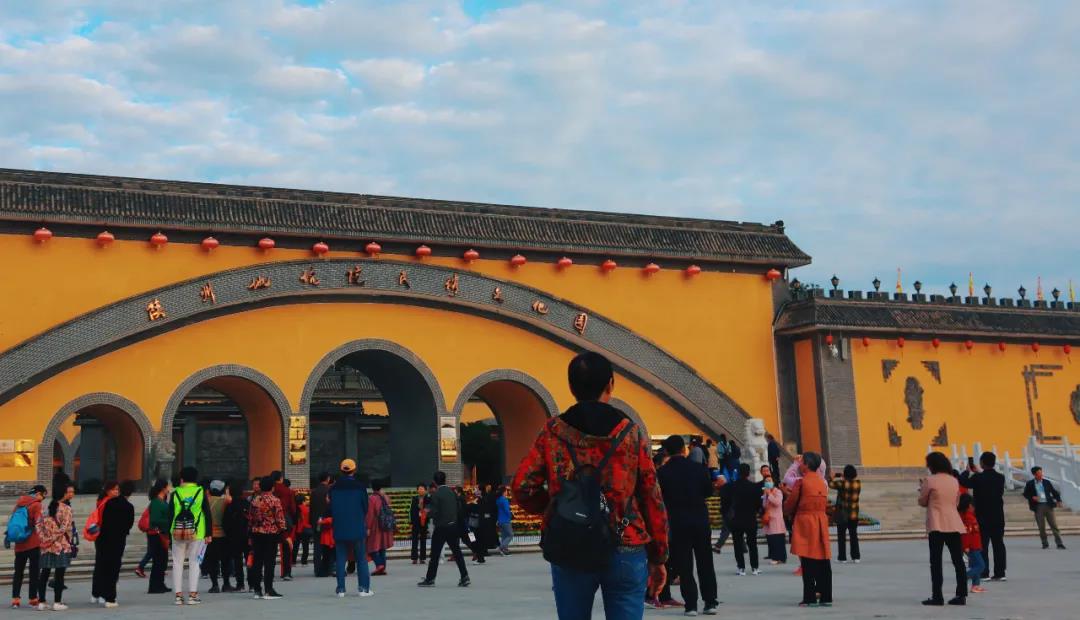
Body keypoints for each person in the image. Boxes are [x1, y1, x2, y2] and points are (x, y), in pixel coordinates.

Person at [512, 351, 669, 620]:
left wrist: (557, 507)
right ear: (610, 384)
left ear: (571, 387)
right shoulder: (630, 433)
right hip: (625, 541)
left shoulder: (553, 432)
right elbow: (651, 496)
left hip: (570, 541)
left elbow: (522, 487)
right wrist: (659, 556)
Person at [657, 434, 719, 616]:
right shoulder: (698, 468)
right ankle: (710, 602)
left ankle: (691, 605)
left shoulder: (663, 472)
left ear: (667, 451)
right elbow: (708, 491)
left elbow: (659, 498)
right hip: (700, 520)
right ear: (684, 450)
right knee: (705, 562)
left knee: (684, 565)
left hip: (678, 522)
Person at [919, 451, 967, 606]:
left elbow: (922, 501)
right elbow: (956, 502)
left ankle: (937, 596)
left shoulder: (929, 480)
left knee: (936, 562)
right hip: (953, 523)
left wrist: (921, 490)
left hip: (937, 524)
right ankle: (961, 595)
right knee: (958, 561)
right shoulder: (954, 480)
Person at [784, 451, 832, 607]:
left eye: (802, 462)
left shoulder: (801, 482)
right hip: (821, 520)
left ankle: (810, 597)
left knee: (807, 560)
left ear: (806, 465)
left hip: (805, 521)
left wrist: (786, 499)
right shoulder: (822, 482)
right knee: (823, 559)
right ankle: (826, 596)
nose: (800, 464)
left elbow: (790, 505)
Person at [327, 458, 373, 597]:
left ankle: (341, 589)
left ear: (341, 470)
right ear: (354, 470)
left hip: (340, 526)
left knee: (341, 559)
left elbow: (330, 507)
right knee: (361, 558)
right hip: (357, 526)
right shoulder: (360, 487)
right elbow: (365, 507)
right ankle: (363, 589)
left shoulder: (333, 488)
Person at [418, 470, 470, 588]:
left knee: (435, 554)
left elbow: (434, 512)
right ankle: (464, 576)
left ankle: (430, 579)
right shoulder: (452, 492)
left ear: (434, 482)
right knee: (457, 552)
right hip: (453, 526)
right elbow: (458, 509)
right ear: (445, 480)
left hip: (441, 527)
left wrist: (426, 512)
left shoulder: (436, 494)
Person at [959, 452, 1006, 581]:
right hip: (998, 516)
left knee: (982, 545)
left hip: (982, 517)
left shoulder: (978, 478)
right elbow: (987, 478)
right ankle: (1000, 573)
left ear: (982, 463)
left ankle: (984, 572)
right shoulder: (1000, 477)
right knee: (999, 545)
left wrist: (967, 471)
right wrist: (978, 472)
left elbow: (964, 482)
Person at [170, 465, 213, 606]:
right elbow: (207, 513)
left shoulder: (175, 493)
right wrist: (208, 533)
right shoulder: (200, 492)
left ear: (182, 478)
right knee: (194, 563)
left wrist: (169, 533)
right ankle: (192, 595)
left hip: (177, 531)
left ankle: (178, 596)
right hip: (197, 532)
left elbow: (170, 514)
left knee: (177, 563)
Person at [91, 480, 134, 608]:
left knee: (101, 565)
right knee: (113, 568)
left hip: (102, 539)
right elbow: (129, 525)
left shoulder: (105, 503)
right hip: (118, 540)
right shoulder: (128, 506)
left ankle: (98, 594)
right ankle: (110, 597)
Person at [36, 479, 75, 612]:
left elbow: (38, 526)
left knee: (44, 573)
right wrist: (54, 538)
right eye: (68, 492)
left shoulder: (46, 509)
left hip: (46, 547)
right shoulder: (66, 509)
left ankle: (41, 602)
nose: (70, 494)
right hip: (61, 546)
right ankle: (57, 602)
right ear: (63, 493)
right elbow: (65, 528)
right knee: (59, 575)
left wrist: (45, 540)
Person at [247, 476, 286, 600]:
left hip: (256, 533)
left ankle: (257, 590)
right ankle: (268, 589)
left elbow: (250, 518)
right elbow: (280, 518)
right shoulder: (275, 500)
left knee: (257, 561)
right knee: (269, 562)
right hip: (271, 533)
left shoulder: (255, 500)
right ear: (272, 487)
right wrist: (282, 530)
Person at [8, 484, 46, 610]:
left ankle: (15, 600)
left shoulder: (19, 504)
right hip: (33, 543)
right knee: (34, 572)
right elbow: (39, 523)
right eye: (43, 495)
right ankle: (33, 599)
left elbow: (12, 522)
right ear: (38, 493)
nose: (43, 498)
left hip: (19, 544)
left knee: (18, 572)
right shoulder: (37, 505)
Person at [728, 462, 762, 576]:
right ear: (748, 473)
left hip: (736, 518)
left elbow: (727, 502)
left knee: (737, 544)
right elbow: (758, 504)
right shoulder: (754, 487)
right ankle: (755, 567)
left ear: (738, 472)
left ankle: (741, 567)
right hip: (750, 518)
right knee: (752, 544)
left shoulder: (732, 486)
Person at [1022, 466, 1066, 550]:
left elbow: (1054, 492)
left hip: (1048, 505)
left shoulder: (1046, 482)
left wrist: (1059, 500)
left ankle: (1059, 543)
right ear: (1034, 474)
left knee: (1054, 525)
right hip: (1038, 507)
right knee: (1041, 527)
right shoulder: (1030, 483)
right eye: (1039, 473)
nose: (1041, 474)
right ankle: (1045, 543)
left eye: (1041, 472)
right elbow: (1025, 494)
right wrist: (1032, 497)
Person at [830, 465, 862, 563]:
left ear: (845, 474)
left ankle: (842, 557)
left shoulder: (841, 483)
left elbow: (830, 484)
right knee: (853, 536)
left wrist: (832, 477)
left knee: (841, 537)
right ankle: (856, 557)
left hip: (842, 514)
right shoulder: (858, 484)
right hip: (853, 514)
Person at [146, 479, 172, 594]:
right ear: (163, 488)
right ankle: (154, 586)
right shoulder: (156, 502)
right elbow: (155, 520)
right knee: (158, 561)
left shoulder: (162, 501)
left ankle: (160, 584)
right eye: (167, 486)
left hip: (163, 534)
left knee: (162, 560)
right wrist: (169, 521)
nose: (169, 489)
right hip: (157, 535)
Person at [222, 481, 250, 592]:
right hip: (248, 536)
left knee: (238, 561)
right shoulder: (248, 504)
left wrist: (229, 534)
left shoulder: (230, 506)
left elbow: (225, 523)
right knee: (249, 560)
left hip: (234, 537)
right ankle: (252, 584)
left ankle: (240, 584)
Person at [270, 471, 296, 581]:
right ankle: (286, 572)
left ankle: (269, 573)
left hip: (270, 521)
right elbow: (293, 508)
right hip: (285, 520)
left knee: (270, 549)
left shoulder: (269, 490)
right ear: (281, 478)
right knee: (286, 548)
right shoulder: (288, 491)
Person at [958, 493, 986, 594]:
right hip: (972, 546)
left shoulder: (968, 516)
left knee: (975, 565)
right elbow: (966, 534)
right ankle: (964, 577)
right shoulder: (968, 517)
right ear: (970, 506)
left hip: (975, 545)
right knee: (981, 566)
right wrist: (966, 546)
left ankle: (975, 585)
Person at [366, 480, 394, 576]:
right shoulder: (385, 497)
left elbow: (370, 514)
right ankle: (382, 568)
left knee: (371, 547)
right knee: (382, 547)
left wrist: (368, 527)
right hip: (385, 525)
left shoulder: (372, 498)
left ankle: (379, 565)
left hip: (375, 525)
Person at [309, 472, 332, 576]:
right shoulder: (330, 490)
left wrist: (312, 522)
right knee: (329, 545)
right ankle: (328, 568)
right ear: (328, 479)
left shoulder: (314, 492)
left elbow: (311, 508)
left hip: (316, 522)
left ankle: (317, 569)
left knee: (317, 546)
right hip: (328, 522)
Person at [762, 477, 787, 564]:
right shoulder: (766, 493)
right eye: (766, 481)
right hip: (769, 519)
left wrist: (769, 494)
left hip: (777, 519)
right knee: (772, 539)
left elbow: (777, 503)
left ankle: (779, 558)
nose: (767, 482)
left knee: (778, 539)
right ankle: (775, 557)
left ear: (773, 482)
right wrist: (766, 495)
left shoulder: (778, 492)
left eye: (769, 481)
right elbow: (764, 505)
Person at [409, 483, 430, 564]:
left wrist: (423, 509)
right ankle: (414, 558)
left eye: (422, 489)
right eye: (419, 489)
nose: (420, 490)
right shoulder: (414, 498)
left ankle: (422, 558)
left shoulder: (428, 499)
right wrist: (411, 522)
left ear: (425, 490)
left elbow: (429, 509)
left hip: (424, 521)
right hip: (415, 522)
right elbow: (411, 511)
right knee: (414, 540)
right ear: (417, 490)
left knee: (423, 540)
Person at [292, 493, 313, 567]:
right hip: (306, 529)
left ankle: (293, 561)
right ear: (303, 501)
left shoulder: (295, 509)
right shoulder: (307, 509)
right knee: (305, 546)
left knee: (295, 546)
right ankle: (304, 562)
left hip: (297, 530)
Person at [496, 486, 514, 555]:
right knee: (510, 535)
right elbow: (507, 510)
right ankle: (501, 547)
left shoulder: (498, 500)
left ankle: (504, 550)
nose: (507, 492)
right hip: (505, 520)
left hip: (500, 520)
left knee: (504, 536)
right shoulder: (504, 500)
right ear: (504, 492)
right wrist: (511, 515)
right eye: (506, 491)